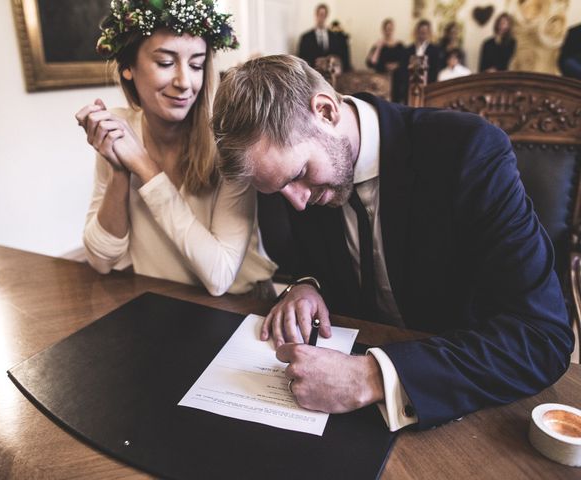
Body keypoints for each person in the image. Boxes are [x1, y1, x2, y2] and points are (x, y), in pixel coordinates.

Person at [211, 54, 573, 431]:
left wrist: (372, 376)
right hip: (341, 414)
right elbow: (315, 260)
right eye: (278, 190)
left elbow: (542, 337)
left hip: (466, 408)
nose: (298, 202)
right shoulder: (308, 177)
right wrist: (306, 285)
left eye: (299, 174)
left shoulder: (467, 151)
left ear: (325, 111)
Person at [76, 0, 276, 296]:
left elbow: (219, 277)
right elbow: (101, 261)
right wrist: (120, 170)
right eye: (166, 63)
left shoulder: (229, 140)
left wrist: (144, 168)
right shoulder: (120, 130)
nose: (185, 82)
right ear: (129, 66)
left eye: (196, 64)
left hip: (241, 310)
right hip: (162, 304)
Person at [392, 19, 440, 103]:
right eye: (420, 32)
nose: (422, 35)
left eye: (425, 32)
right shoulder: (408, 50)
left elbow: (435, 70)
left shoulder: (434, 51)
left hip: (427, 88)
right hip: (410, 88)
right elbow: (403, 69)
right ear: (416, 32)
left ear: (429, 33)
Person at [297, 3, 351, 72]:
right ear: (316, 15)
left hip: (331, 73)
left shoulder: (335, 37)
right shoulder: (306, 38)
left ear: (327, 16)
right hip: (313, 73)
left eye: (324, 15)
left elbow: (340, 58)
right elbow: (301, 60)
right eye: (320, 15)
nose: (321, 18)